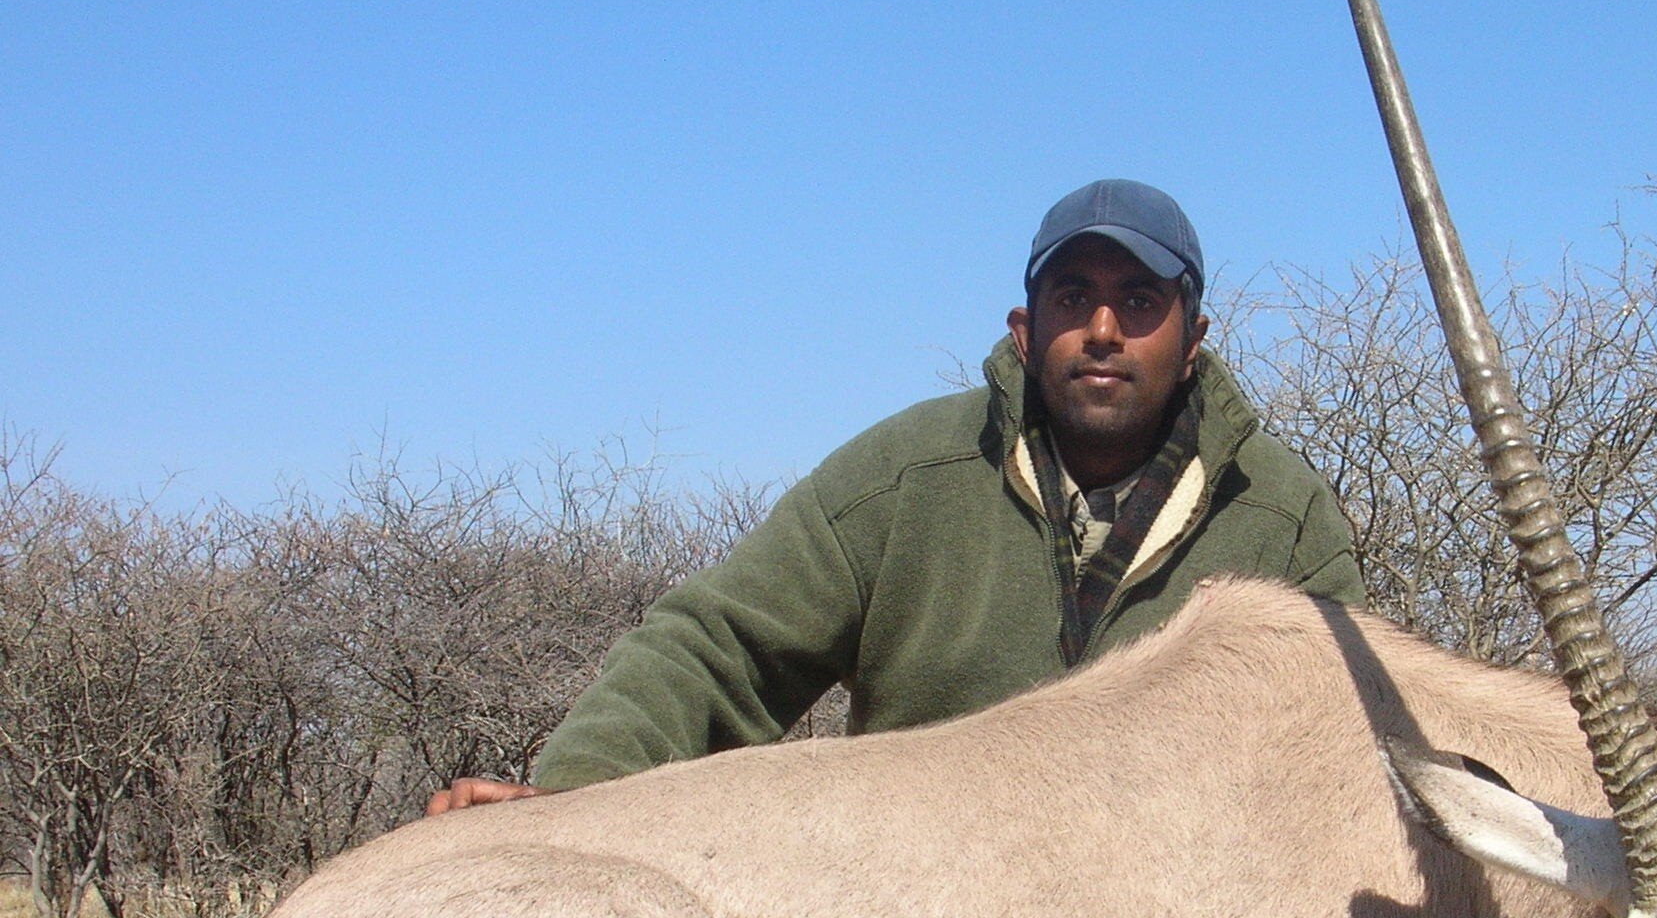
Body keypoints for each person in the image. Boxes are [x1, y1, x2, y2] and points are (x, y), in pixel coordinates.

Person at [426, 179, 1364, 814]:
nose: (1105, 329)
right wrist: (571, 804)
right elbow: (717, 647)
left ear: (1193, 338)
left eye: (1141, 301)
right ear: (1026, 330)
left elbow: (1348, 758)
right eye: (1073, 298)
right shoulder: (910, 471)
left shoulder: (1283, 518)